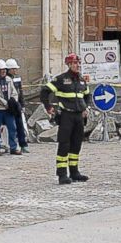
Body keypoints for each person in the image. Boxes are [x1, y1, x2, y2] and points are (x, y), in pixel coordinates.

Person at [42, 53, 91, 184]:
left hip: (78, 116)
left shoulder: (81, 80)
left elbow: (87, 95)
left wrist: (86, 108)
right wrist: (48, 106)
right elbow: (45, 91)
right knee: (64, 144)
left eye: (78, 63)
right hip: (66, 116)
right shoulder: (61, 79)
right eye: (75, 63)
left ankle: (74, 172)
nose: (77, 65)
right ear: (69, 65)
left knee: (76, 145)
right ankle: (62, 174)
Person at [0, 59, 21, 155]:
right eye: (2, 71)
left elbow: (14, 92)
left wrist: (13, 101)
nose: (4, 72)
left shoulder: (9, 80)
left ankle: (13, 147)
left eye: (5, 70)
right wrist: (6, 103)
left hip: (8, 109)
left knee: (12, 128)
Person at [4, 59, 30, 152]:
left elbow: (20, 93)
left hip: (17, 105)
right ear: (9, 69)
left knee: (20, 125)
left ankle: (23, 144)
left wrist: (22, 105)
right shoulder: (5, 79)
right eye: (14, 69)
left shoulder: (17, 79)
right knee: (9, 127)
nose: (15, 71)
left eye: (16, 69)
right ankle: (9, 145)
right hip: (9, 106)